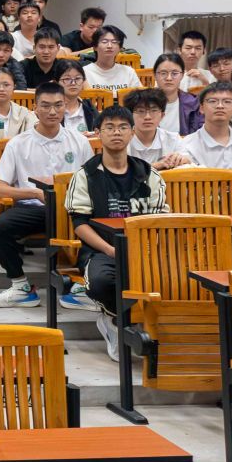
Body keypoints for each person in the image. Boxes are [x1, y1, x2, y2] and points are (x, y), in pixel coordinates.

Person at [69, 105, 172, 357]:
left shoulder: (148, 174)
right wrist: (110, 250)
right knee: (101, 282)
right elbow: (80, 223)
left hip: (145, 249)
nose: (117, 132)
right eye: (110, 127)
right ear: (98, 133)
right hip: (101, 250)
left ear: (132, 133)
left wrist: (146, 250)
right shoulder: (85, 175)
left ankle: (147, 328)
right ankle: (115, 320)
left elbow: (159, 220)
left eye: (123, 127)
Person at [0, 84, 87, 310]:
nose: (53, 112)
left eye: (58, 105)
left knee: (96, 224)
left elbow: (92, 182)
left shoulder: (79, 141)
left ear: (65, 107)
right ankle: (20, 286)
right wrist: (33, 192)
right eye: (46, 106)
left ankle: (83, 287)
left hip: (71, 208)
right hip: (33, 209)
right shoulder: (18, 143)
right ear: (35, 108)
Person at [180, 81, 232, 172]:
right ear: (201, 108)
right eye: (213, 101)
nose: (220, 106)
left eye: (227, 101)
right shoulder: (187, 145)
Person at [124, 88, 190, 170]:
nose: (147, 117)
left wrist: (181, 160)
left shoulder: (173, 139)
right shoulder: (122, 140)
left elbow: (188, 162)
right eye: (141, 111)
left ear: (162, 115)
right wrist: (157, 165)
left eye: (153, 110)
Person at [149, 53, 203, 135]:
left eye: (174, 73)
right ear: (155, 75)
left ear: (182, 75)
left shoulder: (193, 103)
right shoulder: (143, 103)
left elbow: (200, 133)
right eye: (163, 73)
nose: (169, 78)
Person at [80, 27, 140, 92]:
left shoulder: (128, 72)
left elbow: (140, 96)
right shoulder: (84, 72)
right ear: (95, 47)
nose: (109, 46)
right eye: (104, 42)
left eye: (114, 42)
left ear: (120, 48)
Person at [175, 29, 212, 94]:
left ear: (204, 51)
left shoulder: (210, 75)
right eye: (188, 48)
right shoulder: (170, 75)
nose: (193, 52)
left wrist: (205, 81)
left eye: (198, 48)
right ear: (179, 50)